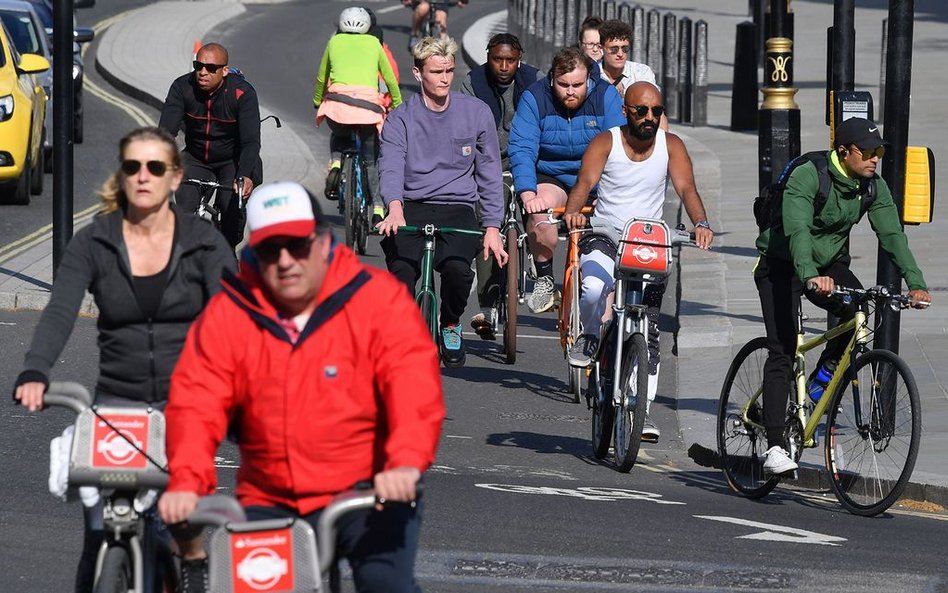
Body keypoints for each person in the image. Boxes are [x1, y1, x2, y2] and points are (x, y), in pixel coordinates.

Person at [158, 181, 444, 593]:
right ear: (253, 254)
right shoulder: (231, 312)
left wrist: (404, 463)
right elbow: (195, 402)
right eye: (272, 250)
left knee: (384, 584)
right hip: (271, 495)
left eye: (298, 245)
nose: (287, 262)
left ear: (323, 242)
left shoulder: (376, 299)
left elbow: (412, 388)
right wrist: (186, 481)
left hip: (370, 493)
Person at [13, 127, 234, 593]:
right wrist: (36, 369)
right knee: (99, 531)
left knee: (183, 515)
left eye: (155, 167)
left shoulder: (203, 242)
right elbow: (60, 309)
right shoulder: (96, 241)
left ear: (176, 178)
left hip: (187, 402)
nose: (143, 176)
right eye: (132, 166)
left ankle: (191, 561)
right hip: (117, 403)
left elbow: (234, 317)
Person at [754, 117, 932, 475]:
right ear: (843, 151)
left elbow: (892, 236)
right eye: (867, 152)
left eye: (878, 151)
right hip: (782, 262)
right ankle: (774, 445)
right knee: (783, 349)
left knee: (857, 319)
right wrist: (810, 276)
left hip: (829, 264)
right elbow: (798, 230)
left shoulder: (871, 187)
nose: (875, 158)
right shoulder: (809, 174)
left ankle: (818, 387)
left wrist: (916, 283)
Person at [563, 82, 713, 442]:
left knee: (649, 330)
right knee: (595, 287)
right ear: (626, 111)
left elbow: (687, 189)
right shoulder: (606, 143)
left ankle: (641, 410)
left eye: (657, 112)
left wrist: (701, 223)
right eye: (642, 111)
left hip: (646, 242)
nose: (650, 118)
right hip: (605, 234)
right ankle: (589, 336)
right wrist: (573, 213)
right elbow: (584, 183)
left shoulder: (670, 145)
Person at [377, 36, 507, 367]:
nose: (445, 79)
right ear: (418, 73)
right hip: (410, 204)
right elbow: (390, 164)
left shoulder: (476, 113)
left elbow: (490, 173)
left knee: (458, 272)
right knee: (402, 274)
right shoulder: (400, 118)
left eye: (449, 71)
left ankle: (450, 323)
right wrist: (394, 207)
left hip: (458, 206)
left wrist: (492, 226)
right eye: (436, 72)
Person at [508, 46, 624, 314]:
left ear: (588, 80)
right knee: (540, 214)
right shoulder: (534, 97)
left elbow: (618, 146)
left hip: (595, 177)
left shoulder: (605, 96)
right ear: (552, 79)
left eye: (577, 85)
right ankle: (545, 277)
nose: (570, 91)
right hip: (553, 175)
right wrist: (527, 193)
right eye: (563, 85)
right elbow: (522, 147)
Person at [459, 32, 542, 339]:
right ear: (488, 57)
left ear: (519, 59)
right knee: (488, 227)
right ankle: (488, 305)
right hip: (486, 162)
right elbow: (464, 126)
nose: (504, 66)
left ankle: (538, 266)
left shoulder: (535, 80)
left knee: (537, 208)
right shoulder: (473, 82)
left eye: (510, 60)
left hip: (527, 158)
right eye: (497, 59)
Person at [159, 42, 261, 250]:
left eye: (211, 68)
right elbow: (165, 133)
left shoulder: (242, 93)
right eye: (198, 66)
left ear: (224, 71)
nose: (203, 72)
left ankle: (227, 255)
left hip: (232, 160)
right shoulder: (182, 87)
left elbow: (251, 142)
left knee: (229, 208)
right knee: (184, 213)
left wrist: (244, 176)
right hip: (196, 157)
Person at [314, 7, 402, 225]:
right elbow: (390, 79)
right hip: (368, 110)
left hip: (337, 104)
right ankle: (379, 208)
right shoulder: (374, 44)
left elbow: (321, 76)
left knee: (339, 135)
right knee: (372, 161)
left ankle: (335, 164)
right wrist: (398, 105)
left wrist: (318, 100)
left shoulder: (334, 42)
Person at [596, 19, 668, 131]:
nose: (620, 54)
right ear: (601, 49)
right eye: (614, 49)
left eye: (625, 49)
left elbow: (655, 110)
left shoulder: (642, 72)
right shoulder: (592, 72)